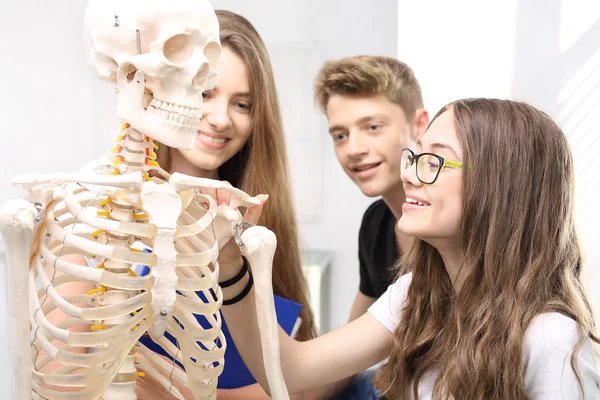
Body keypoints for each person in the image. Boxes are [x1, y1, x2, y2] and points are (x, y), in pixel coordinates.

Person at [221, 98, 600, 399]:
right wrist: (230, 262)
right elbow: (292, 371)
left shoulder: (550, 338)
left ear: (501, 185)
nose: (407, 173)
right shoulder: (415, 293)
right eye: (415, 156)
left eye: (433, 160)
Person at [136, 9, 318, 399]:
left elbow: (300, 382)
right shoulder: (108, 217)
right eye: (205, 93)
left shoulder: (255, 226)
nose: (220, 119)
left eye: (243, 105)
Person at [312, 55, 428, 397]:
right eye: (340, 135)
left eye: (373, 127)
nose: (354, 150)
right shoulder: (376, 224)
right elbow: (349, 351)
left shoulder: (455, 224)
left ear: (419, 125)